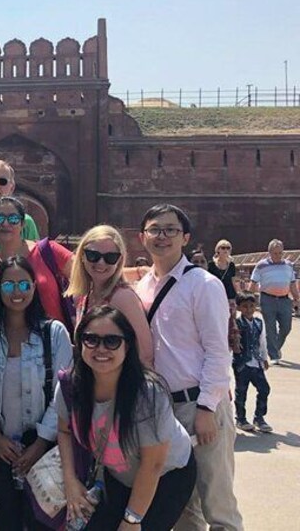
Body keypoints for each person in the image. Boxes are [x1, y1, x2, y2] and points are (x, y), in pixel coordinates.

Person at [134, 204, 243, 531]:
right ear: (142, 237)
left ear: (186, 238)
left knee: (217, 503)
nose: (162, 236)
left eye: (170, 230)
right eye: (155, 229)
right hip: (163, 409)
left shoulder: (204, 285)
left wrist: (208, 407)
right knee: (182, 505)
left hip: (199, 403)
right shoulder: (142, 288)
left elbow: (217, 351)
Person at [57, 306, 196, 531]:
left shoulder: (148, 394)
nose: (101, 349)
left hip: (168, 475)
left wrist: (132, 519)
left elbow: (153, 464)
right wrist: (70, 481)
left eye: (112, 341)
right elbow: (64, 430)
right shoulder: (70, 386)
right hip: (119, 475)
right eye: (91, 339)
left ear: (127, 346)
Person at [0, 257, 72, 530]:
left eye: (24, 284)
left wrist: (41, 442)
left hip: (45, 445)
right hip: (2, 445)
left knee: (43, 517)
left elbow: (64, 392)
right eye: (9, 284)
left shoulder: (53, 333)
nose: (17, 292)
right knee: (7, 515)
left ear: (35, 287)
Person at [0, 196, 74, 323]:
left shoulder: (48, 251)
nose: (5, 224)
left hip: (55, 339)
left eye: (13, 219)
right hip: (11, 341)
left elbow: (84, 276)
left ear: (23, 224)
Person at [66, 225, 154, 367]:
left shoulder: (123, 298)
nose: (101, 263)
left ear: (119, 260)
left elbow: (145, 356)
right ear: (82, 256)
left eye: (110, 257)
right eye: (93, 255)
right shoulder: (83, 297)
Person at [249, 239, 300, 365]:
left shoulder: (288, 265)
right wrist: (249, 299)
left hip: (284, 300)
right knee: (270, 328)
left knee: (286, 327)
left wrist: (297, 298)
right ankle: (274, 355)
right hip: (268, 299)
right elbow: (253, 283)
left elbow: (292, 284)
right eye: (275, 253)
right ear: (269, 252)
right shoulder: (261, 265)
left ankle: (274, 348)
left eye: (280, 253)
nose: (278, 255)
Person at [233, 292, 272, 433]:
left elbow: (262, 341)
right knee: (241, 392)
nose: (249, 309)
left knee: (264, 389)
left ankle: (259, 417)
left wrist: (264, 357)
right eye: (245, 307)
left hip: (256, 362)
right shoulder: (236, 323)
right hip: (242, 364)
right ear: (239, 308)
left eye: (251, 306)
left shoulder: (259, 322)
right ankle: (241, 419)